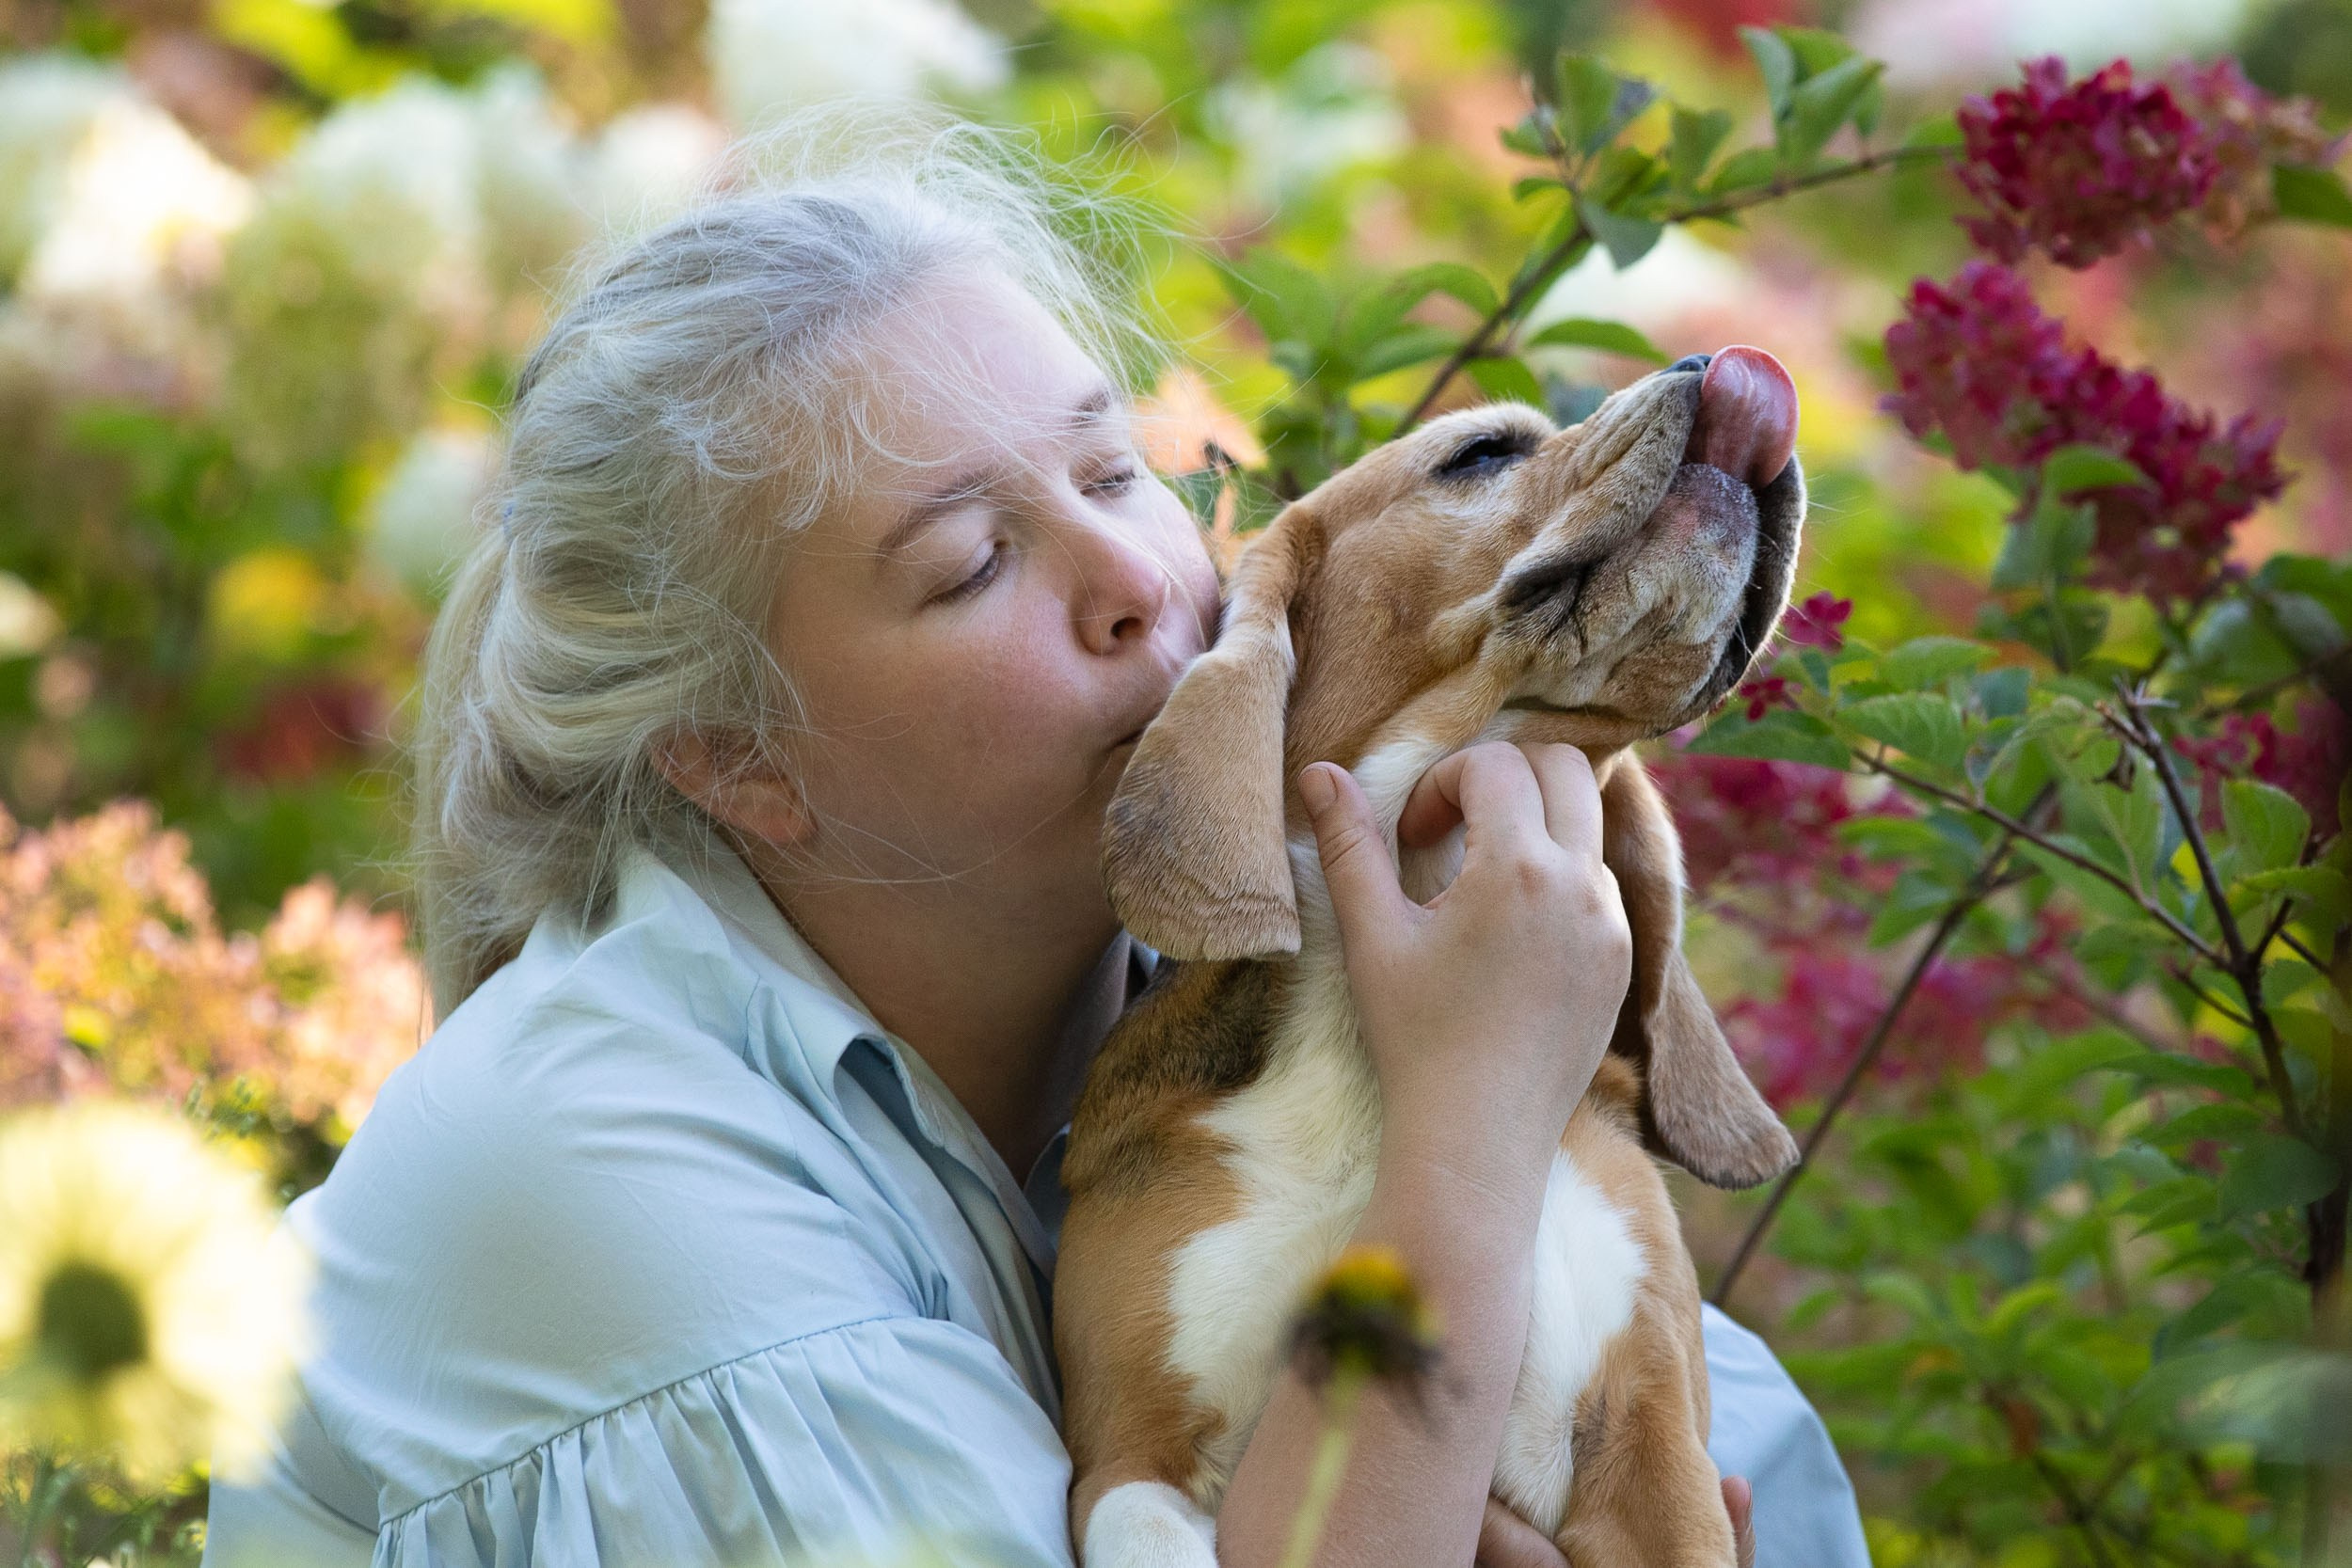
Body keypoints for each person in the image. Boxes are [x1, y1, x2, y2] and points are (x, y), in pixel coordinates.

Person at [201, 105, 1870, 1568]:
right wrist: (1467, 1142)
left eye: (1113, 469)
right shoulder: (603, 1178)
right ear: (739, 761)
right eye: (973, 566)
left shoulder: (1240, 1028)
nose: (1138, 583)